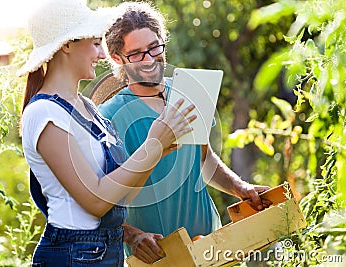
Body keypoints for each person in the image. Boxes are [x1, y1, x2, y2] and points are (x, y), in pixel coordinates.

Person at [18, 0, 197, 266]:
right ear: (66, 45)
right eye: (94, 44)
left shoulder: (87, 107)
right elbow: (96, 201)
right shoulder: (45, 113)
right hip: (73, 255)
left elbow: (121, 196)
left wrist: (160, 149)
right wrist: (153, 145)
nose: (102, 54)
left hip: (106, 253)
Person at [98, 2, 272, 264]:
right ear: (117, 58)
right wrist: (132, 236)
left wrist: (240, 187)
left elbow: (203, 158)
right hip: (156, 255)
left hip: (210, 245)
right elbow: (102, 200)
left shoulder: (190, 90)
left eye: (154, 47)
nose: (149, 59)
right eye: (136, 54)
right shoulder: (108, 116)